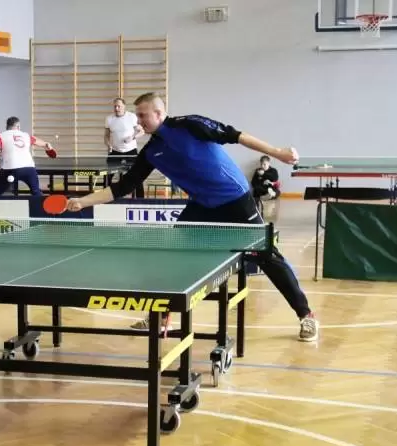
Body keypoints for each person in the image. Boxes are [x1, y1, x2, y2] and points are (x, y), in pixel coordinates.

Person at [68, 92, 318, 342]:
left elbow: (235, 135)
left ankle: (306, 315)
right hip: (203, 205)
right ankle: (161, 316)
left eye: (143, 116)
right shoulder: (151, 151)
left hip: (235, 199)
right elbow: (123, 186)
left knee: (267, 256)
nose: (139, 121)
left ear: (159, 113)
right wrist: (83, 201)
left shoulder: (190, 125)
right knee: (175, 254)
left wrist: (278, 152)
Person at [0, 116, 53, 196]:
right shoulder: (26, 135)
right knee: (36, 193)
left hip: (9, 169)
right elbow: (43, 144)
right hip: (28, 169)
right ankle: (40, 203)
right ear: (18, 126)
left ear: (7, 127)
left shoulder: (1, 136)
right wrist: (47, 145)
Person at [104, 97, 145, 197]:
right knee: (107, 176)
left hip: (131, 151)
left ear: (124, 106)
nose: (116, 108)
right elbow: (106, 136)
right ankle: (105, 198)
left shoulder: (132, 117)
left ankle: (141, 199)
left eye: (119, 106)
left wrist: (132, 137)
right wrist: (108, 144)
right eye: (115, 106)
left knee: (137, 175)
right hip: (115, 151)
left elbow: (142, 131)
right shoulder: (109, 119)